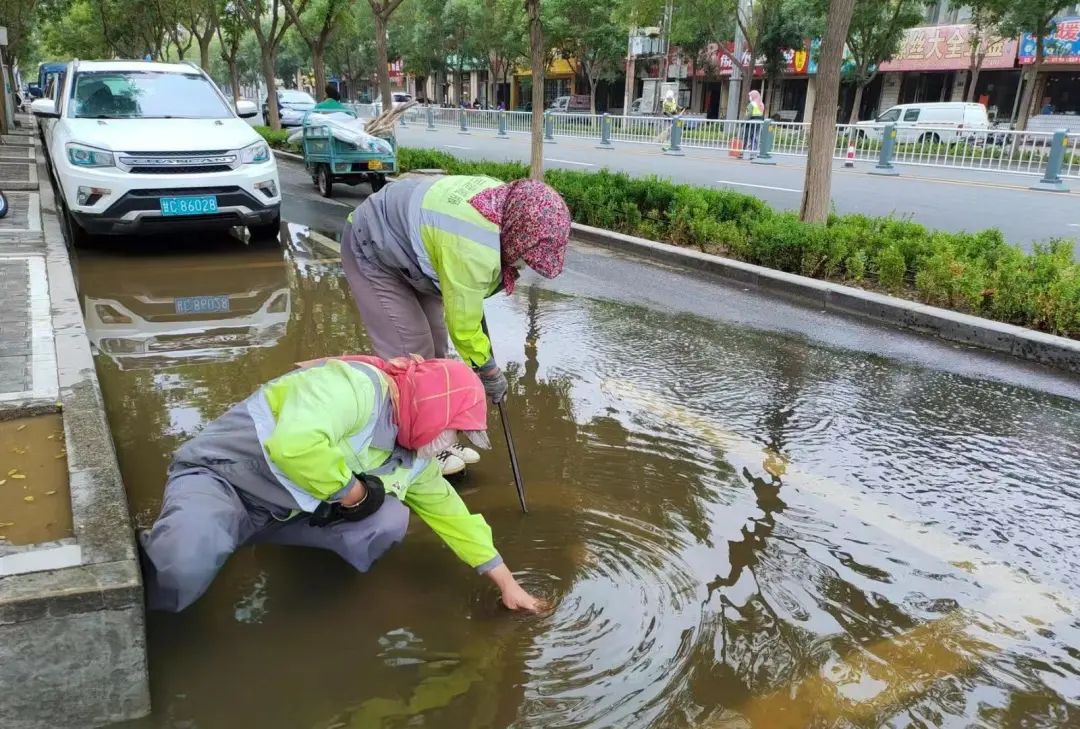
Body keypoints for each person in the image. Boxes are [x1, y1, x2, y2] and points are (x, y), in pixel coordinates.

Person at [138, 354, 543, 614]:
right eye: (453, 430)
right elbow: (294, 446)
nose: (449, 442)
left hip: (281, 513)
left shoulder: (413, 455)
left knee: (386, 520)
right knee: (180, 569)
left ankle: (277, 562)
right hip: (225, 480)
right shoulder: (353, 388)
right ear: (433, 407)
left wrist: (507, 583)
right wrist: (355, 493)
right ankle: (155, 571)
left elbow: (456, 517)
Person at [341, 175, 571, 475]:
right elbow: (463, 326)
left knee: (436, 352)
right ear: (516, 233)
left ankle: (437, 438)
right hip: (372, 245)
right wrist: (489, 371)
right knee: (410, 355)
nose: (525, 266)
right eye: (526, 256)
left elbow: (464, 306)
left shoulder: (502, 206)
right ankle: (410, 453)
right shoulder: (472, 247)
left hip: (415, 249)